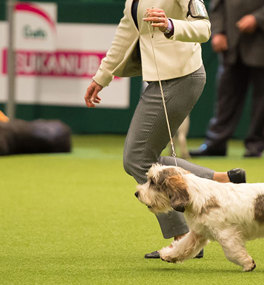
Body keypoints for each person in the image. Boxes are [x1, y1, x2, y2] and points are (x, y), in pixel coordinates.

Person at [84, 0, 246, 259]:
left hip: (182, 78)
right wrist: (101, 77)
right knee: (144, 159)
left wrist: (171, 25)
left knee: (137, 158)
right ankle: (219, 179)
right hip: (159, 81)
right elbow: (126, 33)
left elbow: (204, 28)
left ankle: (185, 239)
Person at [190, 0, 264, 158]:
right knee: (225, 98)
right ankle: (215, 143)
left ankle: (255, 145)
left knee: (262, 100)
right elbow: (217, 5)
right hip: (231, 43)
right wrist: (218, 32)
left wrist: (258, 18)